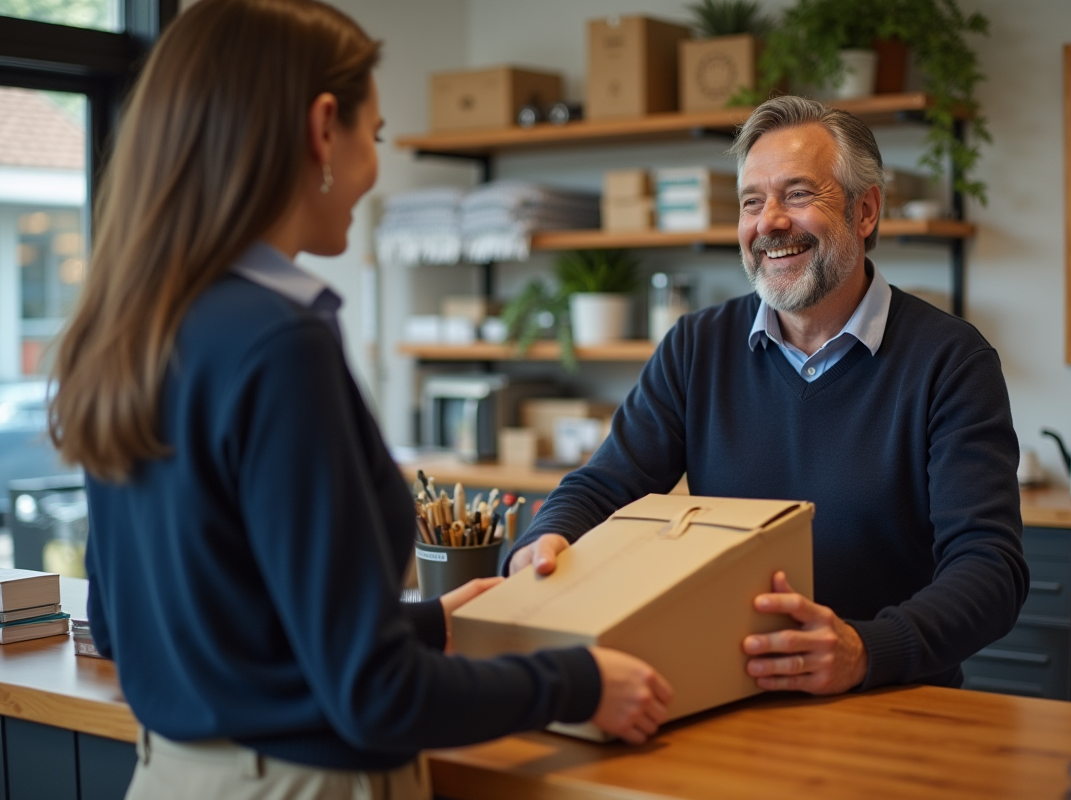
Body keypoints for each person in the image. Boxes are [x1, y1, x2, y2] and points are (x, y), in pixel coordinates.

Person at [48, 0, 671, 797]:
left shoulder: (134, 326)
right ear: (321, 128)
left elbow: (142, 625)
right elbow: (375, 697)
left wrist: (430, 623)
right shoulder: (280, 344)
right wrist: (579, 681)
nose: (373, 169)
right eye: (373, 139)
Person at [508, 95, 1029, 697]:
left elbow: (990, 570)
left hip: (890, 698)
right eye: (752, 201)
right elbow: (603, 486)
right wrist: (542, 543)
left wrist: (866, 650)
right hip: (727, 693)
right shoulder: (696, 346)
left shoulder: (951, 361)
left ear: (865, 211)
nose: (770, 222)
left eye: (799, 195)